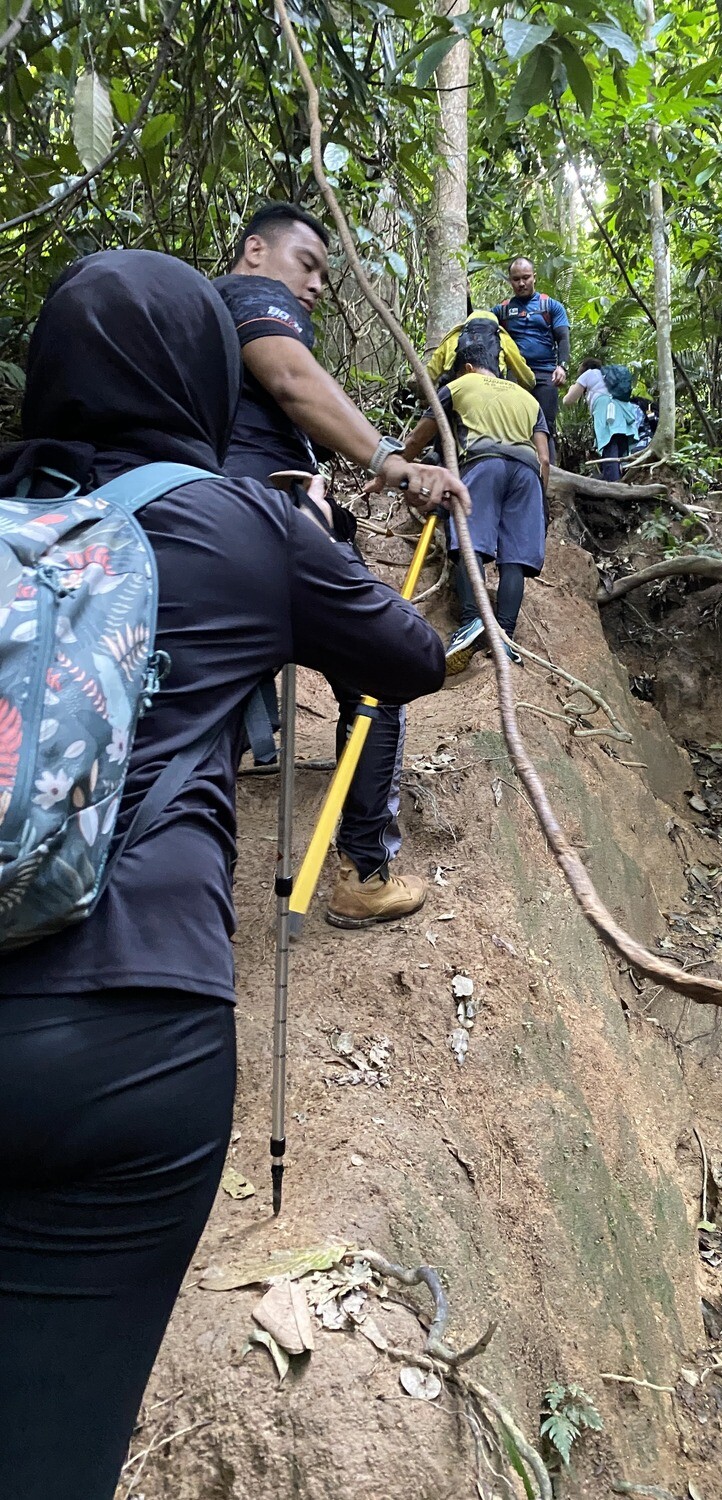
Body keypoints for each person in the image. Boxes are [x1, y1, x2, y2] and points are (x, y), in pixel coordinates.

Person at [0, 249, 446, 1500]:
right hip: (132, 1043)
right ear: (201, 377)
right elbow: (406, 654)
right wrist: (301, 545)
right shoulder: (236, 521)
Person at [213, 202, 468, 927]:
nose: (319, 284)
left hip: (205, 527)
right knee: (381, 672)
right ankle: (363, 871)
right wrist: (396, 462)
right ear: (255, 250)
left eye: (327, 273)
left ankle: (187, 899)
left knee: (213, 708)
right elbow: (292, 379)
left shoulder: (197, 325)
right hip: (275, 526)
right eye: (308, 264)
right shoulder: (249, 296)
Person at [401, 331, 550, 673]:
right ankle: (506, 638)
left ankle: (471, 623)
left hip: (483, 464)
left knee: (473, 545)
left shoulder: (458, 386)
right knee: (514, 559)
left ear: (467, 367)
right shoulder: (528, 398)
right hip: (527, 473)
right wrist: (540, 504)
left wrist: (392, 471)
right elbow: (544, 458)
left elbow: (417, 438)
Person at [492, 257, 570, 460]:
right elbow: (480, 325)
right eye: (516, 279)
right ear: (510, 281)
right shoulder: (503, 310)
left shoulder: (551, 306)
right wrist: (466, 299)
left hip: (545, 374)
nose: (521, 283)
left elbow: (563, 338)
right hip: (515, 374)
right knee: (513, 425)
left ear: (534, 277)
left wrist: (562, 367)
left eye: (526, 278)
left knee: (545, 426)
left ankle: (550, 474)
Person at [562, 357, 640, 483]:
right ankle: (620, 480)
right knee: (619, 449)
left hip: (606, 411)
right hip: (623, 410)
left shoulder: (588, 374)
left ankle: (613, 486)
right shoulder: (608, 376)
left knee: (609, 446)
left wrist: (572, 388)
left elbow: (568, 400)